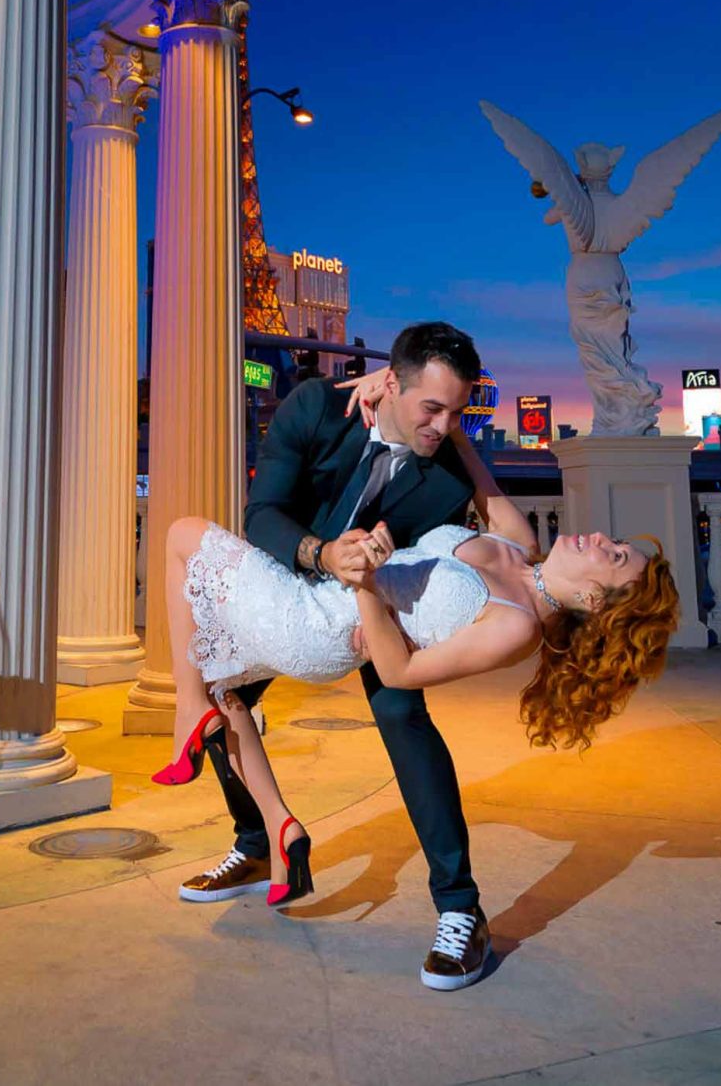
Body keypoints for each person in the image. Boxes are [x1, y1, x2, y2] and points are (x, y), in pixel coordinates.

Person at [158, 321, 679, 991]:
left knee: (405, 724)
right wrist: (330, 559)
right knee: (226, 693)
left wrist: (370, 585)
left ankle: (460, 909)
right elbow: (264, 514)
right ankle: (261, 844)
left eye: (457, 411)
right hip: (306, 573)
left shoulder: (445, 485)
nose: (442, 425)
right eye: (430, 407)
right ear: (392, 385)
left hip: (376, 613)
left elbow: (460, 537)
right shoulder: (323, 408)